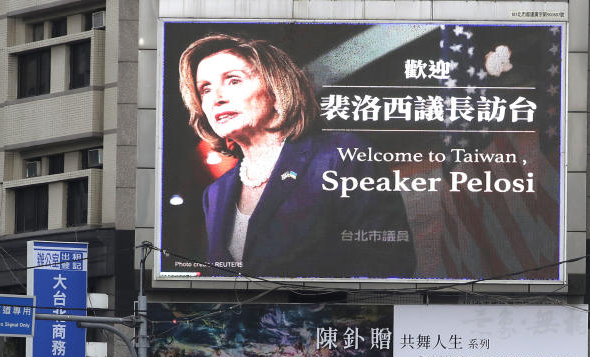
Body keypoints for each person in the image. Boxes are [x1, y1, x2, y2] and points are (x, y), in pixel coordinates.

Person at [178, 33, 416, 279]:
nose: (217, 98)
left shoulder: (341, 156)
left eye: (234, 80)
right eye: (205, 89)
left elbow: (389, 266)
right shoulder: (215, 194)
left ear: (276, 88)